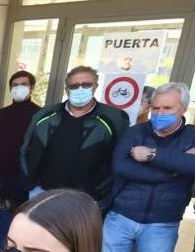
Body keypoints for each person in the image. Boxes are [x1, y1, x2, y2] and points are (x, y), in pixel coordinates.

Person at [99, 82, 195, 252]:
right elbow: (120, 167)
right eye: (156, 108)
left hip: (162, 223)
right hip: (121, 216)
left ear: (183, 108)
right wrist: (173, 170)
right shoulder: (135, 132)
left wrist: (152, 155)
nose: (160, 114)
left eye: (167, 108)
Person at [20, 65, 129, 205]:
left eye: (86, 85)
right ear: (66, 89)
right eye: (74, 86)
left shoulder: (115, 118)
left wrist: (101, 191)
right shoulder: (45, 114)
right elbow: (25, 148)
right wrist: (28, 180)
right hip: (42, 192)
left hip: (84, 198)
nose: (80, 89)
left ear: (95, 86)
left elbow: (119, 159)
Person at [0, 70, 40, 202]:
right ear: (10, 88)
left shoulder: (39, 115)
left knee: (18, 214)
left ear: (31, 87)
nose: (19, 87)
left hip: (24, 177)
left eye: (24, 84)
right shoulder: (1, 114)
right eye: (15, 85)